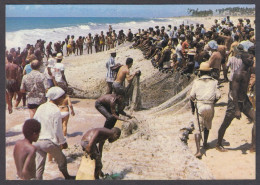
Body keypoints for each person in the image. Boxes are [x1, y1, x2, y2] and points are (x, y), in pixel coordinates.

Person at [216, 48, 256, 152]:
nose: (252, 60)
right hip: (235, 103)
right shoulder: (238, 74)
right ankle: (218, 144)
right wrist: (237, 109)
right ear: (244, 59)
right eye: (250, 59)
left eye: (253, 58)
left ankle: (253, 146)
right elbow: (234, 92)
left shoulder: (249, 69)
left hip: (244, 100)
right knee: (226, 123)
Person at [33, 86, 75, 180]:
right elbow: (57, 129)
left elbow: (34, 122)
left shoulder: (41, 107)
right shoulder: (56, 110)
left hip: (37, 141)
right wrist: (63, 142)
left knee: (39, 166)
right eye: (62, 97)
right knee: (62, 159)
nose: (63, 99)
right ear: (57, 98)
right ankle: (67, 177)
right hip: (48, 142)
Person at [190, 62, 221, 158]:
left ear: (200, 72)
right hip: (210, 106)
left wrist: (193, 107)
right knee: (207, 126)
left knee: (198, 129)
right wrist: (212, 102)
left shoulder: (197, 82)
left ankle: (198, 151)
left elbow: (191, 96)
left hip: (200, 105)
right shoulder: (214, 82)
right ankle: (206, 143)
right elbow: (218, 96)